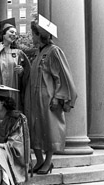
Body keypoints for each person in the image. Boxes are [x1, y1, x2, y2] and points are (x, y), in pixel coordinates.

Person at [26, 15, 77, 174]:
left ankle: (48, 162)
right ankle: (40, 160)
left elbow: (62, 76)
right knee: (35, 129)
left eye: (33, 34)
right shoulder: (38, 52)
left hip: (48, 99)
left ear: (39, 35)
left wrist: (57, 97)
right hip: (34, 99)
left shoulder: (54, 52)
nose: (31, 37)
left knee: (49, 129)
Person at [0, 18, 30, 111]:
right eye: (11, 32)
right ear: (3, 34)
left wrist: (21, 72)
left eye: (15, 33)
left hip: (13, 93)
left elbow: (28, 75)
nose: (14, 35)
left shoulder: (18, 53)